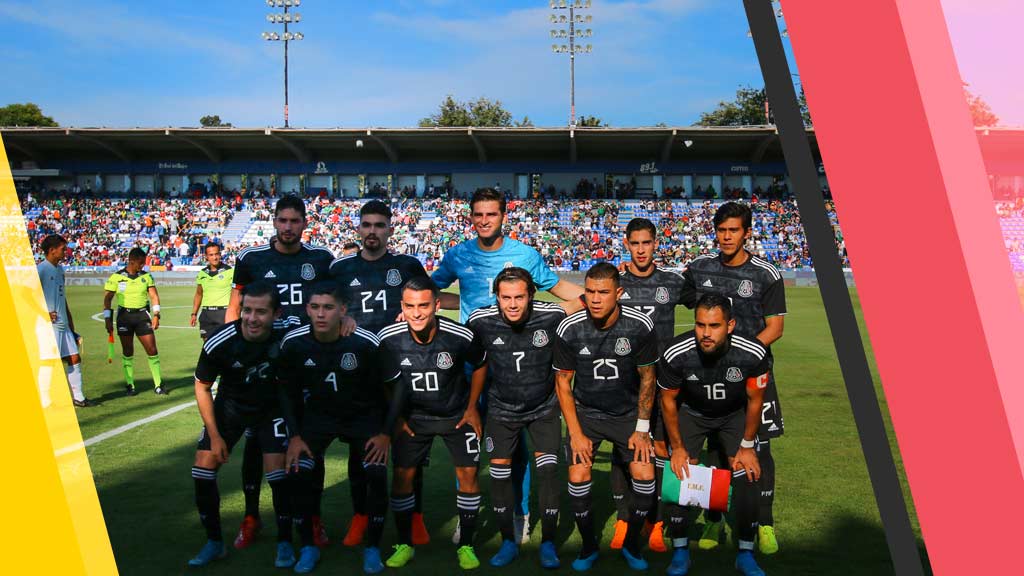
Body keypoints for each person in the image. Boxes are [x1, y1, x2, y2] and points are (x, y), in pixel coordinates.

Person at [432, 187, 583, 543]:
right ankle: (466, 516)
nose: (484, 220)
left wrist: (597, 298)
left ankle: (521, 514)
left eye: (492, 214)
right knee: (468, 444)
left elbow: (558, 287)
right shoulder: (457, 254)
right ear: (471, 217)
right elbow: (431, 292)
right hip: (472, 365)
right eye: (478, 214)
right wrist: (459, 301)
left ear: (503, 216)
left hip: (517, 368)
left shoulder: (525, 255)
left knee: (517, 450)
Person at [329, 200, 445, 547]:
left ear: (390, 229)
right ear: (359, 229)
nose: (373, 232)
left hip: (404, 365)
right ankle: (360, 517)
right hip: (360, 371)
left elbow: (426, 301)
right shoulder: (339, 268)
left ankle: (416, 517)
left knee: (410, 448)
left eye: (380, 225)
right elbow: (328, 306)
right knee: (359, 451)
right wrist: (341, 318)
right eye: (367, 225)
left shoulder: (407, 265)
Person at [226, 195, 336, 550]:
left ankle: (313, 518)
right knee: (256, 442)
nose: (288, 227)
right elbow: (235, 310)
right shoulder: (251, 259)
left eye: (295, 221)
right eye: (283, 220)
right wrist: (234, 355)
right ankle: (251, 516)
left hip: (305, 366)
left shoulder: (321, 259)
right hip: (261, 366)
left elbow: (331, 306)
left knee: (309, 442)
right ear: (274, 221)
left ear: (305, 223)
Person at [680, 202, 786, 555]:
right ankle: (713, 517)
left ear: (747, 232)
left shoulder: (766, 274)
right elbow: (672, 292)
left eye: (734, 230)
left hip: (754, 375)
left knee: (760, 449)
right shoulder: (700, 269)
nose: (727, 236)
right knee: (715, 449)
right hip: (710, 377)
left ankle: (764, 525)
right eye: (721, 230)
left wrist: (744, 356)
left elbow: (775, 328)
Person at [279, 282, 397, 574]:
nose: (321, 314)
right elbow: (286, 392)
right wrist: (294, 436)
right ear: (307, 309)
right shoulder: (294, 343)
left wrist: (385, 433)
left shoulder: (364, 341)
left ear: (343, 310)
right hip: (318, 418)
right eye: (315, 307)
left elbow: (397, 386)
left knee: (376, 473)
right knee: (298, 470)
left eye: (329, 307)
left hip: (363, 416)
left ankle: (372, 548)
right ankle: (308, 546)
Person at [552, 262, 659, 571]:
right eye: (590, 292)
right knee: (578, 475)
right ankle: (588, 547)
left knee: (645, 476)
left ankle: (632, 545)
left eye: (603, 292)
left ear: (619, 293)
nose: (595, 299)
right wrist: (575, 432)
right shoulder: (570, 327)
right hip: (586, 414)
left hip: (627, 414)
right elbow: (563, 383)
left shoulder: (640, 326)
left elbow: (648, 377)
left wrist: (641, 428)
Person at [378, 276, 487, 570]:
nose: (417, 313)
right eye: (410, 306)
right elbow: (385, 381)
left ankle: (466, 544)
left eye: (424, 306)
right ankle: (405, 544)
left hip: (455, 415)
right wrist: (398, 416)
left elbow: (480, 364)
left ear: (437, 305)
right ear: (402, 306)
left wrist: (473, 407)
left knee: (468, 475)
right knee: (402, 478)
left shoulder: (459, 335)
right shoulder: (388, 339)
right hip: (413, 420)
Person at [657, 295, 769, 576]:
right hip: (692, 414)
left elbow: (755, 400)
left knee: (748, 476)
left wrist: (746, 445)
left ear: (730, 325)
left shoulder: (753, 352)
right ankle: (681, 552)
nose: (706, 334)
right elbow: (668, 402)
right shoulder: (675, 353)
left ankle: (745, 552)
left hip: (734, 415)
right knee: (680, 474)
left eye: (715, 325)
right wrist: (678, 447)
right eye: (700, 325)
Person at [187, 282, 295, 569]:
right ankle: (214, 542)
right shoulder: (220, 341)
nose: (252, 318)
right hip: (230, 409)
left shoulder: (287, 332)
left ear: (276, 314)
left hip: (270, 409)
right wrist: (215, 435)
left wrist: (346, 321)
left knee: (277, 475)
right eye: (247, 310)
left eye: (261, 312)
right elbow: (201, 387)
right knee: (202, 469)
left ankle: (285, 541)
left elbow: (319, 324)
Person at [465, 268, 567, 569]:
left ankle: (548, 543)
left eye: (519, 297)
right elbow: (467, 357)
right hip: (501, 410)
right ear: (496, 296)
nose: (512, 304)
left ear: (531, 296)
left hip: (544, 409)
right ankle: (508, 541)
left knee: (548, 474)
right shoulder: (480, 321)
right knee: (499, 475)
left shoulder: (553, 317)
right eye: (506, 297)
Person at [615, 217, 691, 552]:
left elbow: (710, 303)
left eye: (647, 243)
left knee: (661, 450)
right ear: (627, 244)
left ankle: (656, 523)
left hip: (663, 384)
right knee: (625, 451)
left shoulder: (673, 283)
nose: (641, 249)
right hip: (624, 383)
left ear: (655, 243)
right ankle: (623, 521)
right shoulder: (615, 283)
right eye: (635, 243)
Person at [37, 234, 94, 406]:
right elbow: (26, 295)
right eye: (63, 249)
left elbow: (62, 298)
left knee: (74, 358)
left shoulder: (60, 269)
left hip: (63, 325)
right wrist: (43, 313)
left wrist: (71, 325)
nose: (66, 251)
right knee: (48, 360)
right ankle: (45, 401)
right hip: (47, 326)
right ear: (52, 250)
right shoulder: (41, 269)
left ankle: (79, 397)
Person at [102, 247, 164, 396]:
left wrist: (156, 314)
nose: (142, 266)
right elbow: (107, 299)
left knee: (152, 350)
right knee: (128, 351)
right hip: (124, 317)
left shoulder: (146, 277)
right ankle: (130, 384)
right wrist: (107, 318)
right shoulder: (116, 277)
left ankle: (158, 384)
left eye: (143, 263)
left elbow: (154, 296)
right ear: (131, 261)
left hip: (142, 316)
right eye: (140, 263)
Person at [191, 242, 233, 341]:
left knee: (225, 348)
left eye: (216, 254)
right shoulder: (202, 273)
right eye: (211, 255)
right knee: (208, 349)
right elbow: (198, 294)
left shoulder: (230, 271)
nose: (214, 257)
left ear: (220, 254)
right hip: (206, 315)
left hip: (223, 314)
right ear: (206, 257)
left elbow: (238, 294)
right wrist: (194, 314)